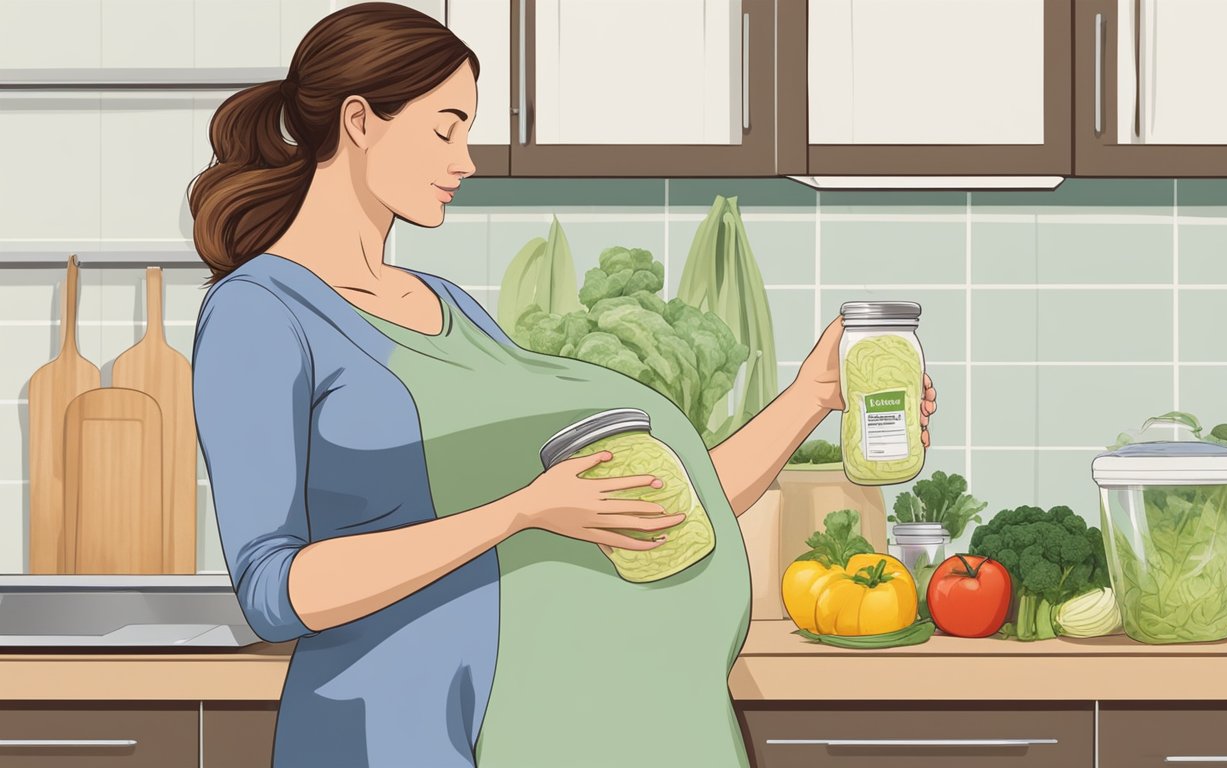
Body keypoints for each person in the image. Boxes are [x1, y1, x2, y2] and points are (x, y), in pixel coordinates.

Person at [189, 3, 937, 767]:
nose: (466, 159)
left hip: (533, 727)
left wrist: (813, 394)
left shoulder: (448, 308)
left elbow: (658, 504)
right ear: (360, 121)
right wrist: (520, 511)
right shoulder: (259, 315)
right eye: (446, 127)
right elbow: (275, 594)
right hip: (398, 732)